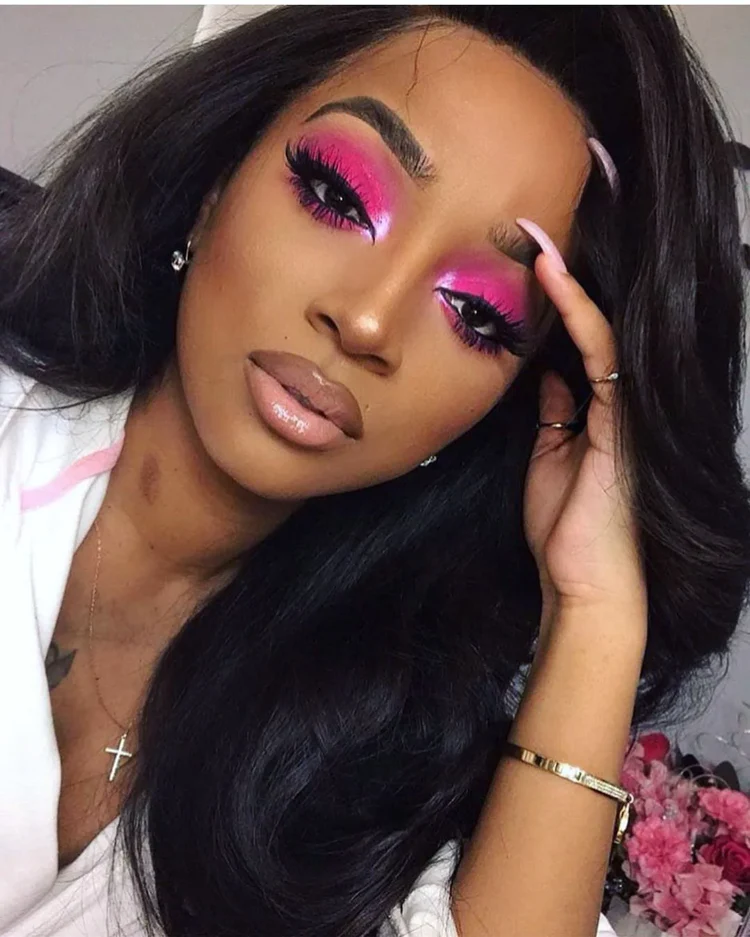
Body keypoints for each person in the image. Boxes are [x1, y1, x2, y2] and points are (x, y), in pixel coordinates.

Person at [1, 6, 748, 937]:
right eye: (337, 196)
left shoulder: (378, 747)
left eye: (477, 314)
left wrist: (596, 607)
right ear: (216, 179)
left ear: (503, 405)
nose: (367, 321)